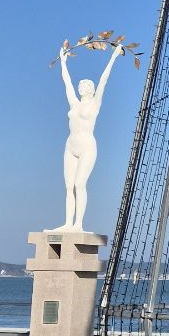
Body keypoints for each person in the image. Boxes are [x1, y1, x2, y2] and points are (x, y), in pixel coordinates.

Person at [49, 42, 123, 232]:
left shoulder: (95, 104)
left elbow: (104, 80)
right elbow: (66, 83)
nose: (81, 87)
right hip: (70, 146)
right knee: (69, 186)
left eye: (84, 85)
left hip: (87, 146)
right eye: (80, 85)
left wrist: (113, 57)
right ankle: (68, 223)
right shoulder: (74, 104)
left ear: (91, 89)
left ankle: (78, 224)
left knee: (79, 184)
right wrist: (63, 62)